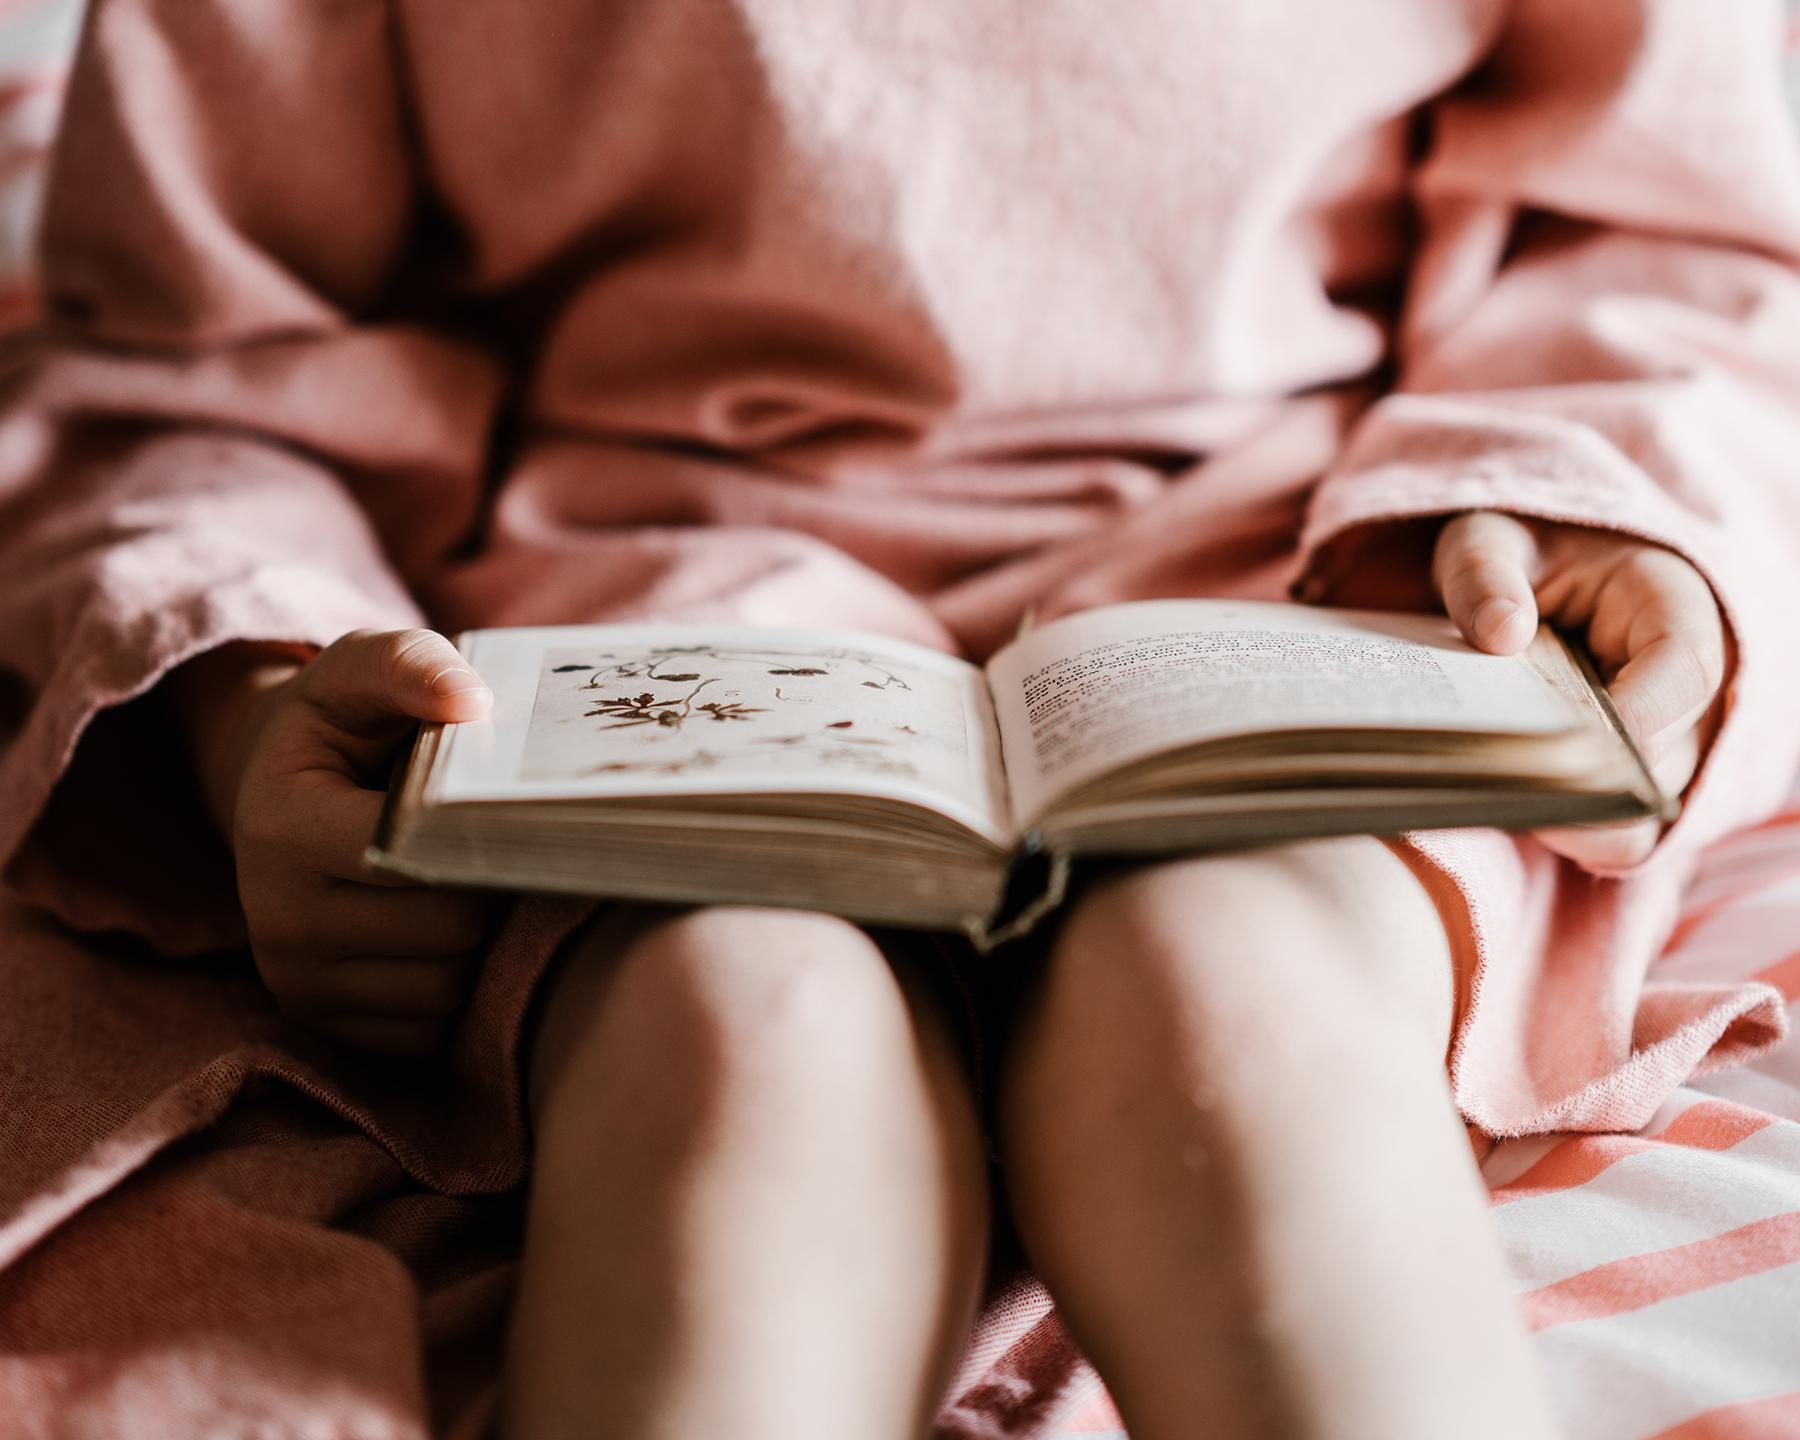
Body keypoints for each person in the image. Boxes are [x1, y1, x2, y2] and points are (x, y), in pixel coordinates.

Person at [2, 2, 1798, 1437]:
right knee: (741, 1033)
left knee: (1233, 1003)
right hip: (618, 622)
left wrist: (1595, 505)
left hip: (1312, 581)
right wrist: (252, 711)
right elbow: (190, 371)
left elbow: (1667, 229)